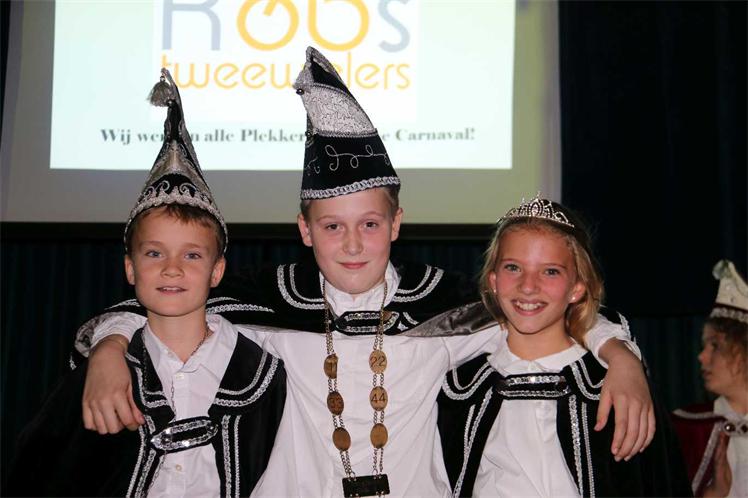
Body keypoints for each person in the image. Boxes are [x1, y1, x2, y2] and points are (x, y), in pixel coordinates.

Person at [74, 48, 655, 497]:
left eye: (370, 224)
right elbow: (163, 299)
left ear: (396, 223)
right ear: (304, 231)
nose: (352, 244)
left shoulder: (444, 307)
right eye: (332, 226)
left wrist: (622, 358)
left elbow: (550, 308)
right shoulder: (269, 302)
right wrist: (108, 349)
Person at [4, 69, 286, 497]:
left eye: (192, 255)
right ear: (130, 269)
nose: (172, 268)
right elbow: (42, 472)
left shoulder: (261, 371)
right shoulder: (99, 376)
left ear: (217, 271)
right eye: (154, 253)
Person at [437, 196, 691, 497]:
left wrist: (622, 358)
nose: (528, 286)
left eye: (550, 271)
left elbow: (658, 482)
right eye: (513, 267)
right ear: (493, 281)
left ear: (577, 288)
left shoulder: (614, 386)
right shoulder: (461, 388)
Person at [673, 260, 748, 497]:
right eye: (704, 346)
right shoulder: (687, 429)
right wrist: (713, 494)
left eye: (715, 346)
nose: (701, 356)